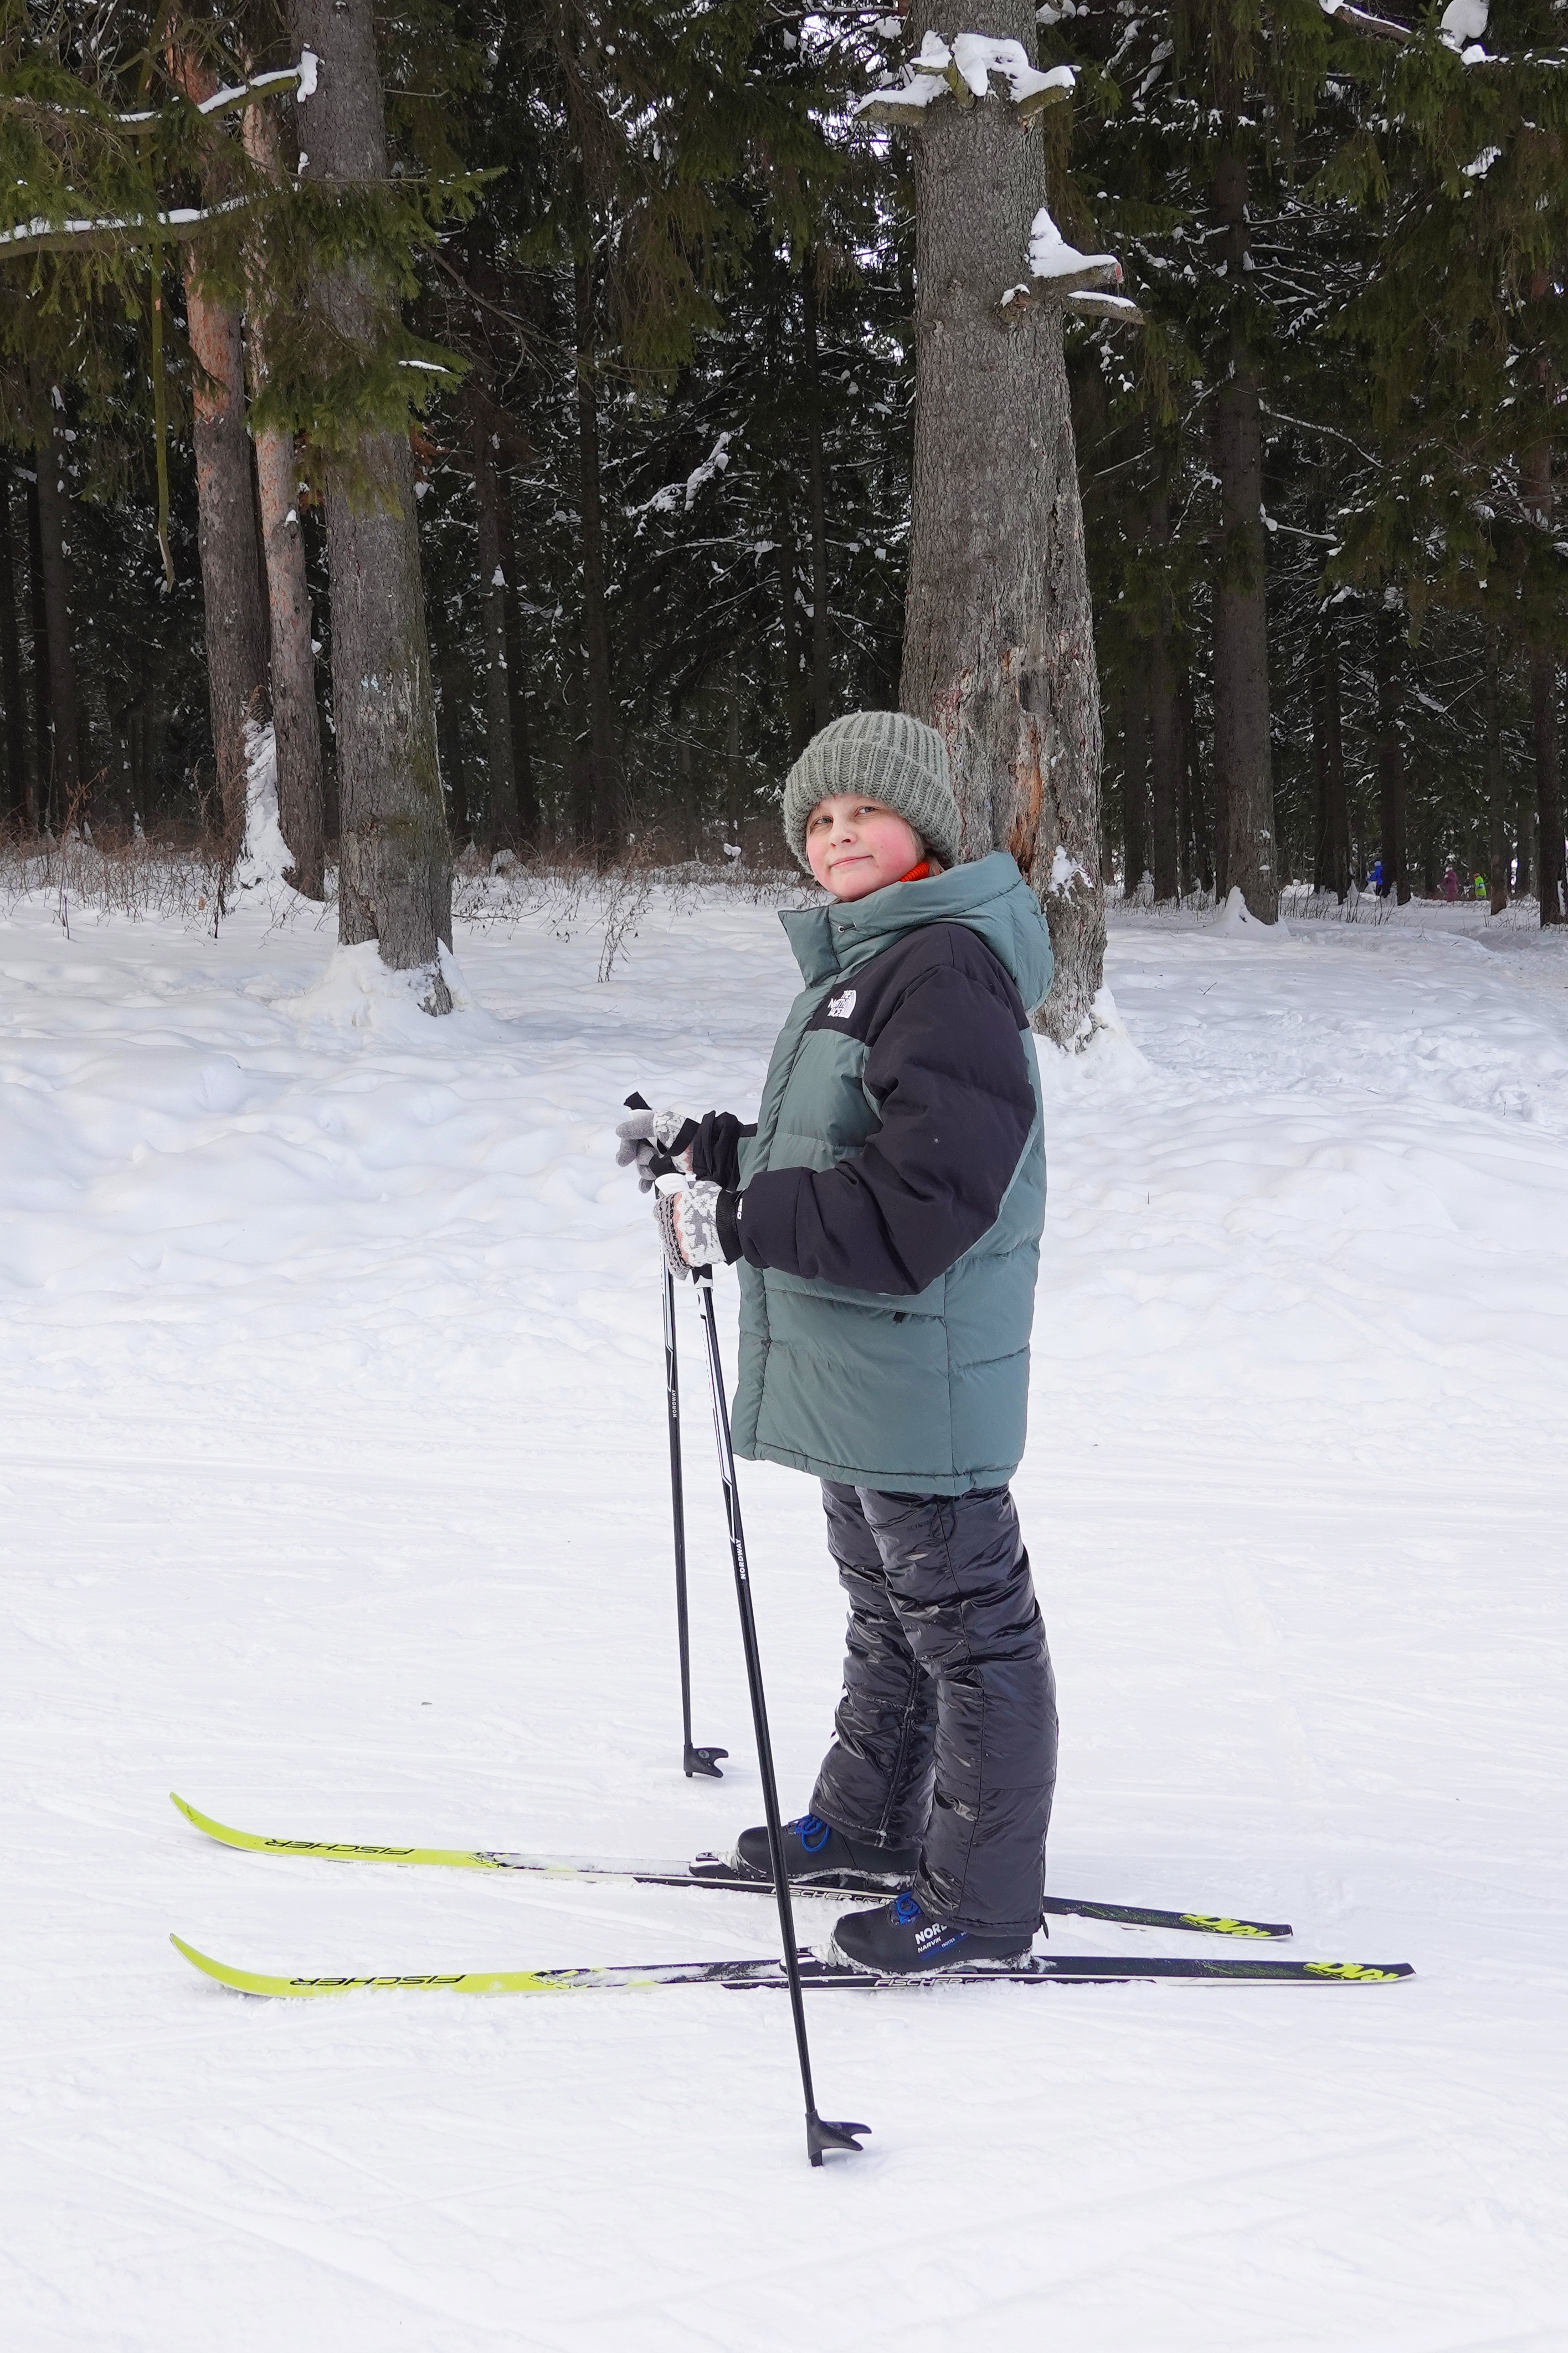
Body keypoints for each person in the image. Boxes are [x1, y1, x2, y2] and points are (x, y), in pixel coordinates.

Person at [616, 709, 1058, 1976]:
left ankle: (978, 1901)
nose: (837, 834)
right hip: (867, 1369)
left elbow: (921, 1205)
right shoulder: (873, 963)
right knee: (889, 1612)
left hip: (920, 1368)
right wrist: (711, 1149)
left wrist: (740, 1219)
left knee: (969, 1636)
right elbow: (847, 1149)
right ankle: (870, 1822)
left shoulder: (945, 966)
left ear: (921, 825)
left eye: (862, 810)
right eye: (817, 819)